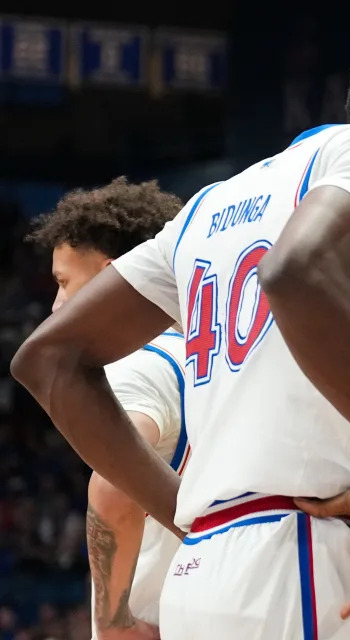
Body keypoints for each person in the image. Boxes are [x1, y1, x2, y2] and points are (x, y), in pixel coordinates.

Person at [12, 28, 350, 640]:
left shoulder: (209, 205)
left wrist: (187, 518)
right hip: (301, 552)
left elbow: (48, 359)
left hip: (202, 572)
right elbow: (293, 273)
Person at [25, 177, 186, 640]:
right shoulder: (208, 357)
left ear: (110, 277)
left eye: (64, 282)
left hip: (158, 622)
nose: (56, 305)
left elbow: (113, 487)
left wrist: (114, 622)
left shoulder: (138, 365)